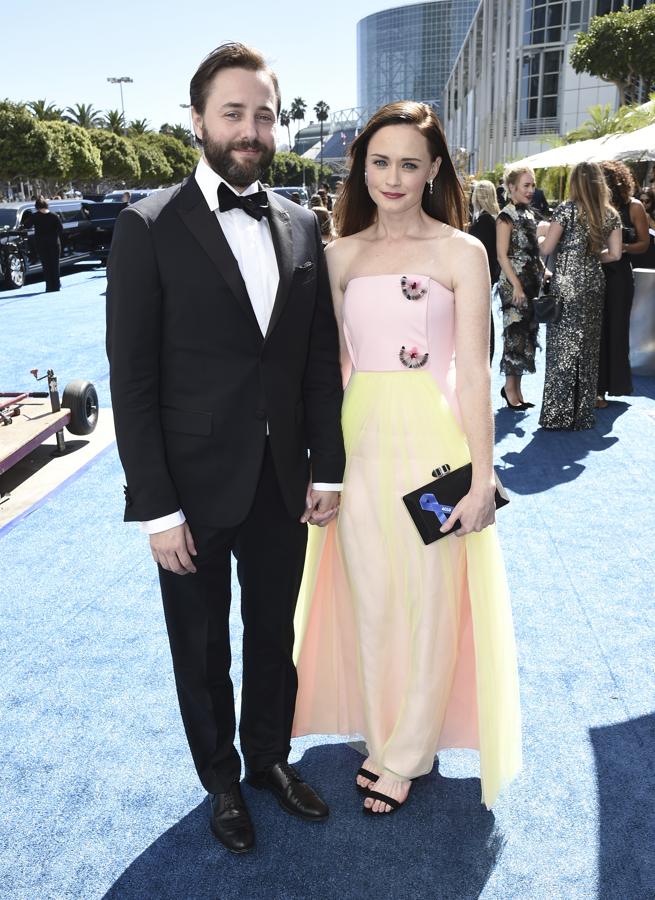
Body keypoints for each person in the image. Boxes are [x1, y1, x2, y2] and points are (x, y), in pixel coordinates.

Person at [106, 42, 345, 855]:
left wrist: (330, 468)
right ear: (199, 119)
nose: (250, 129)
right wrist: (156, 509)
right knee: (201, 648)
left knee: (272, 635)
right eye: (234, 112)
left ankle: (270, 759)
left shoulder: (303, 223)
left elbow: (315, 361)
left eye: (264, 114)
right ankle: (219, 781)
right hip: (191, 491)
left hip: (284, 480)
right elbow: (131, 383)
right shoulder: (146, 226)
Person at [292, 101, 522, 815]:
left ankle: (408, 751)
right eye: (380, 161)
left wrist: (484, 477)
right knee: (369, 594)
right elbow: (329, 370)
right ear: (362, 167)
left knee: (429, 598)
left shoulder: (462, 252)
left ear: (432, 172)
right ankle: (379, 725)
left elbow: (477, 373)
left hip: (434, 447)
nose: (393, 177)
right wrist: (318, 469)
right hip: (357, 443)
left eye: (409, 164)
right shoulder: (338, 256)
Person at [537, 162, 622, 430]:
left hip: (567, 284)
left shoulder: (567, 209)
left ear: (576, 182)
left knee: (562, 347)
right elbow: (616, 255)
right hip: (594, 283)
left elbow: (547, 247)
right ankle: (581, 414)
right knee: (588, 348)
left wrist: (540, 236)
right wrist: (593, 256)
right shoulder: (610, 214)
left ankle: (557, 414)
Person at [596, 161, 651, 406]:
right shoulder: (596, 207)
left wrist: (621, 247)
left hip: (619, 275)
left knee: (617, 329)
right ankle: (595, 388)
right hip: (594, 272)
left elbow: (644, 243)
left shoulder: (634, 207)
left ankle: (614, 385)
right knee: (595, 330)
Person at [496, 165, 543, 409]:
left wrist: (545, 270)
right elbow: (502, 256)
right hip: (513, 283)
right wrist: (516, 285)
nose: (531, 190)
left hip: (531, 282)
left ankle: (517, 390)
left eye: (532, 185)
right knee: (514, 335)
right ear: (511, 188)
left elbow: (533, 251)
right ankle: (509, 389)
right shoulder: (506, 216)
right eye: (526, 185)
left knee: (527, 336)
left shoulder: (529, 214)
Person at [468, 180, 501, 362]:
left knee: (482, 317)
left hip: (482, 276)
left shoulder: (484, 221)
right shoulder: (492, 219)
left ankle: (485, 354)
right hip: (488, 276)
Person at [33, 197, 64, 292]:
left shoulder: (35, 216)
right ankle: (57, 285)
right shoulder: (54, 216)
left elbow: (26, 225)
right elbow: (60, 229)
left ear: (37, 207)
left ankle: (49, 286)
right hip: (54, 243)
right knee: (55, 264)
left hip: (41, 244)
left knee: (46, 265)